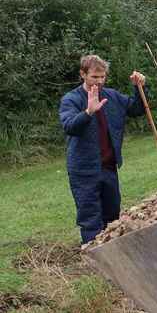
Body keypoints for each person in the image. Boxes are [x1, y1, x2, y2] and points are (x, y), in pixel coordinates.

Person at [58, 55, 147, 244]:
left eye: (102, 77)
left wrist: (139, 87)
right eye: (94, 77)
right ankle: (93, 257)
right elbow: (69, 126)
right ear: (83, 74)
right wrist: (88, 112)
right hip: (83, 170)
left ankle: (113, 254)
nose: (98, 82)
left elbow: (137, 109)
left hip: (108, 167)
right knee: (90, 218)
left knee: (112, 215)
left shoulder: (112, 96)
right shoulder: (71, 99)